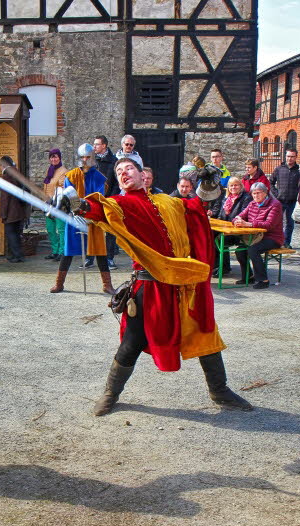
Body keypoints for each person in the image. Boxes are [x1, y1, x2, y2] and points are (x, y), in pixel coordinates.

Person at [76, 157, 252, 415]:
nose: (124, 173)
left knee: (205, 334)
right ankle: (110, 394)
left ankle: (220, 390)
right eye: (119, 171)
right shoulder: (120, 203)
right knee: (132, 342)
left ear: (142, 174)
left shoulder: (168, 202)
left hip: (184, 283)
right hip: (149, 286)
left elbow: (196, 207)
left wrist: (207, 183)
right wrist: (78, 204)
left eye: (129, 169)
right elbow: (98, 209)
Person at [50, 144, 113, 294]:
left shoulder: (99, 178)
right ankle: (59, 284)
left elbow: (99, 198)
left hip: (94, 219)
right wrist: (76, 212)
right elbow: (67, 196)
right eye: (82, 157)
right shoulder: (70, 176)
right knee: (68, 251)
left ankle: (107, 285)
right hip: (74, 218)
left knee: (100, 251)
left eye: (87, 157)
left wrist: (90, 214)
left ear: (92, 157)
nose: (85, 160)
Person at [233, 182, 283, 289]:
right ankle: (249, 276)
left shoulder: (275, 205)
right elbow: (240, 215)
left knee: (253, 250)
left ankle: (263, 280)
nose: (256, 196)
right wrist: (237, 220)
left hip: (272, 237)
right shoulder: (252, 204)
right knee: (240, 251)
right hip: (255, 236)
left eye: (258, 193)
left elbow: (269, 225)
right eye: (253, 193)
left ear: (265, 193)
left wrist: (249, 224)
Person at [209, 177, 252, 277]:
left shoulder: (246, 198)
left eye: (236, 185)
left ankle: (224, 268)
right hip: (226, 229)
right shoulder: (226, 198)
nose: (233, 187)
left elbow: (243, 214)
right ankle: (216, 266)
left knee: (219, 240)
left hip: (238, 231)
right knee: (209, 236)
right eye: (231, 185)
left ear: (241, 186)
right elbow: (221, 214)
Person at [95, 136, 120, 269]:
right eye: (94, 144)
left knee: (110, 230)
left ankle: (109, 258)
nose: (94, 147)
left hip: (109, 200)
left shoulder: (114, 161)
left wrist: (109, 199)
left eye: (97, 144)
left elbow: (116, 183)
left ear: (104, 145)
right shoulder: (92, 161)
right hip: (94, 200)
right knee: (94, 228)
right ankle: (90, 257)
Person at [0, 156, 29, 263]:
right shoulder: (16, 173)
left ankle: (17, 256)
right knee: (16, 233)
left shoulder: (7, 175)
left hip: (11, 210)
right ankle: (17, 255)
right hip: (19, 209)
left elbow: (5, 197)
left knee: (11, 234)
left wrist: (3, 213)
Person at [269, 148, 300, 247]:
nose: (290, 159)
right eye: (288, 156)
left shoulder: (299, 170)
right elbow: (271, 182)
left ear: (296, 157)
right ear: (285, 156)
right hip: (280, 200)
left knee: (290, 223)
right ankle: (277, 240)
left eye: (292, 157)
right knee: (277, 222)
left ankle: (287, 242)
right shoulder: (279, 169)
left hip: (293, 201)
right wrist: (276, 194)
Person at [42, 148, 67, 261]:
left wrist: (54, 200)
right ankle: (55, 251)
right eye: (52, 157)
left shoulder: (63, 171)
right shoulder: (50, 170)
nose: (53, 159)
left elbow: (62, 188)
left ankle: (62, 252)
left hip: (59, 205)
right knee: (50, 229)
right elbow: (46, 186)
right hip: (48, 204)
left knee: (60, 230)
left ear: (59, 158)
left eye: (55, 156)